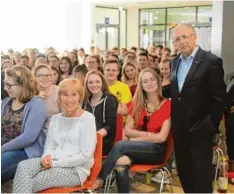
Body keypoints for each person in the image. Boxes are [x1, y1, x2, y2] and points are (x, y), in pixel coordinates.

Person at [92, 68, 171, 193]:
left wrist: (138, 138)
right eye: (145, 81)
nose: (149, 83)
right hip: (137, 149)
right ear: (141, 85)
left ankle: (99, 179)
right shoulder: (138, 104)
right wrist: (148, 135)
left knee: (120, 145)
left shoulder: (167, 105)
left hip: (156, 151)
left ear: (158, 81)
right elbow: (128, 131)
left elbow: (161, 137)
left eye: (152, 80)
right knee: (120, 162)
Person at [12, 78, 97, 193]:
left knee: (30, 181)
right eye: (65, 95)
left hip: (75, 170)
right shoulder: (56, 118)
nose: (69, 99)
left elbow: (85, 155)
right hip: (53, 162)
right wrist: (47, 156)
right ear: (59, 97)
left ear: (80, 97)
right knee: (23, 167)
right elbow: (50, 145)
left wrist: (55, 163)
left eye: (74, 95)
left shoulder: (87, 118)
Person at [170, 24, 226, 193]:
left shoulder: (211, 62)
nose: (182, 42)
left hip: (201, 132)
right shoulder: (174, 62)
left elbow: (219, 99)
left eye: (185, 36)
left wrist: (209, 126)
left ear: (195, 36)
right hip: (179, 132)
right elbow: (178, 95)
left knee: (201, 181)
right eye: (177, 39)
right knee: (185, 177)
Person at [1, 65, 47, 184]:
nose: (6, 88)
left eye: (9, 85)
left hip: (24, 151)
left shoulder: (36, 103)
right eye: (5, 84)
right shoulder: (6, 102)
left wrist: (1, 149)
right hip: (4, 148)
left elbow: (28, 138)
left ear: (23, 84)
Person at [83, 70, 118, 155]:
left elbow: (110, 125)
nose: (94, 85)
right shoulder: (85, 101)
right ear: (87, 85)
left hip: (104, 141)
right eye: (90, 82)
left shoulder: (109, 99)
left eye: (97, 82)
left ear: (102, 83)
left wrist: (94, 137)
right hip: (87, 140)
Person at [33, 64, 61, 134]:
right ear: (35, 78)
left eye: (48, 75)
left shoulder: (58, 91)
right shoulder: (31, 94)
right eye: (41, 75)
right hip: (36, 133)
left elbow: (66, 116)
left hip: (55, 132)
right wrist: (36, 99)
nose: (45, 78)